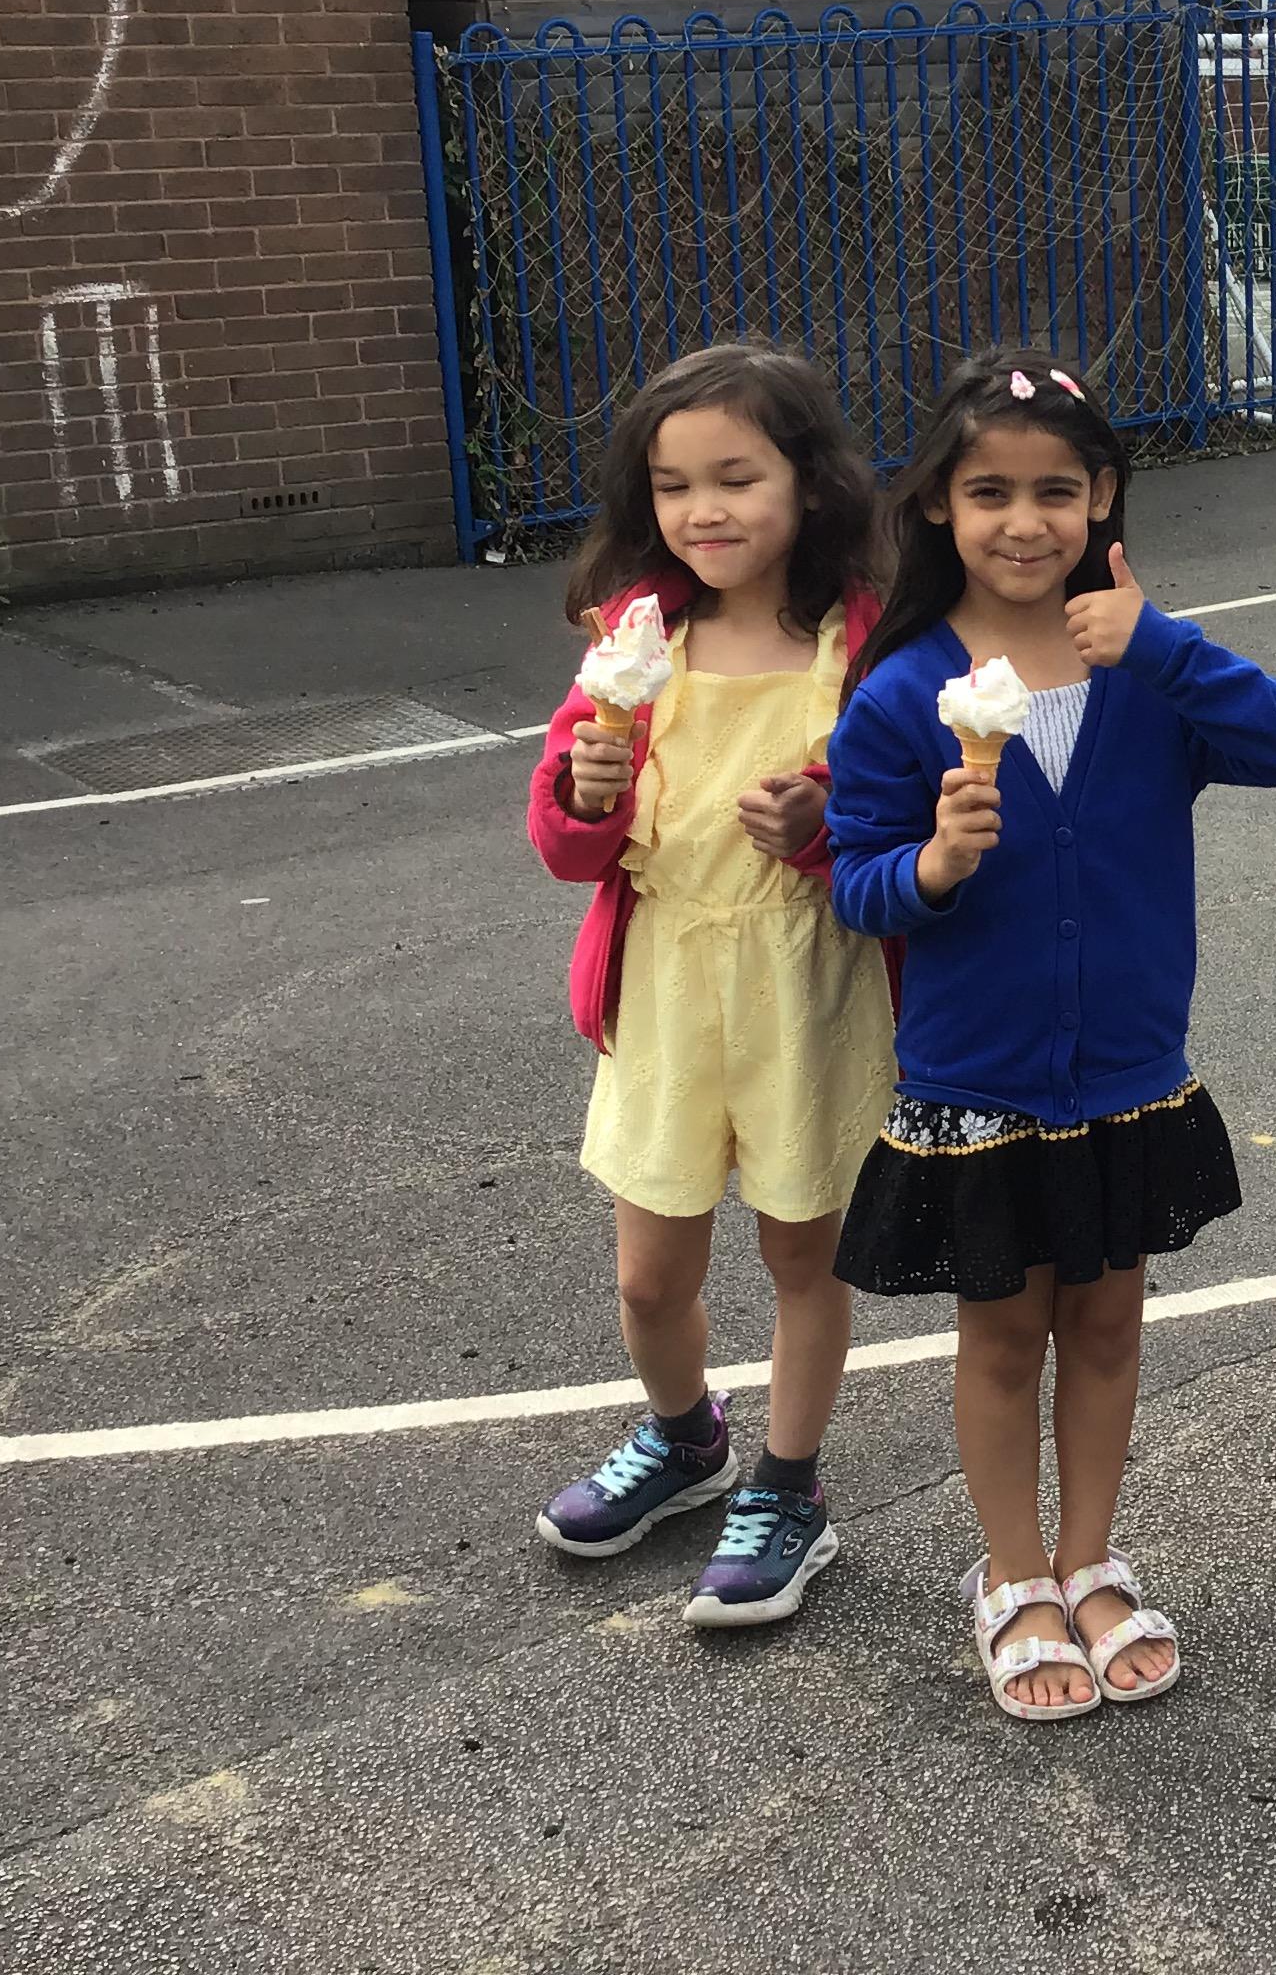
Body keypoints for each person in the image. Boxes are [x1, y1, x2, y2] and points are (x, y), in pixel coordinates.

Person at [825, 353, 1276, 1719]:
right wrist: (931, 868)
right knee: (1003, 1338)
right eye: (989, 492)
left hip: (1126, 1076)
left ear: (1101, 496)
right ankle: (1012, 1575)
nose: (1023, 521)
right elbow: (853, 878)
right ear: (939, 505)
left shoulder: (1146, 671)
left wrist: (1159, 641)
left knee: (1107, 1325)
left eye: (1055, 490)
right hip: (979, 1082)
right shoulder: (902, 692)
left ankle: (1090, 1557)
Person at [525, 344, 892, 1627]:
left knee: (803, 1253)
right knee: (650, 1273)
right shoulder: (635, 637)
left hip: (812, 985)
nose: (705, 510)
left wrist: (825, 824)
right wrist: (585, 795)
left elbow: (901, 816)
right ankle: (689, 1440)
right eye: (675, 486)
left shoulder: (866, 637)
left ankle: (790, 1486)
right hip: (667, 984)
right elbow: (566, 842)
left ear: (809, 481)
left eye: (737, 477)